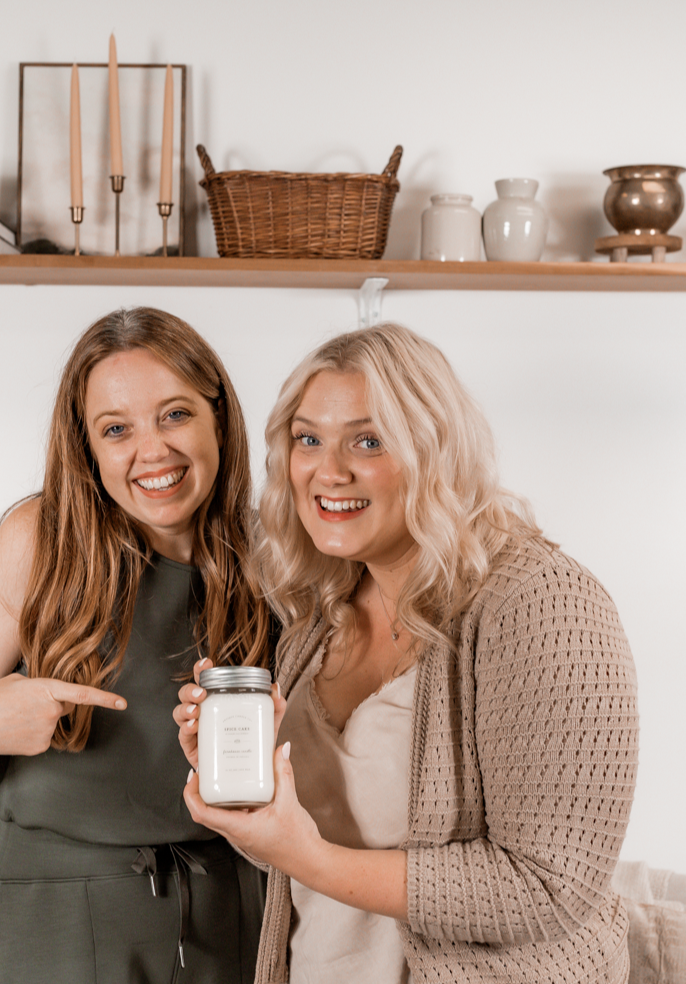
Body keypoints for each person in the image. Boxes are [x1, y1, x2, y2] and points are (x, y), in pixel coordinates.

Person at [176, 322, 640, 983]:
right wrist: (246, 795)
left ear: (436, 450)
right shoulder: (318, 614)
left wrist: (307, 857)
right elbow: (303, 852)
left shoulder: (541, 602)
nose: (328, 471)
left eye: (368, 441)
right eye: (308, 439)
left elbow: (549, 887)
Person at [0, 306, 274, 984]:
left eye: (175, 415)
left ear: (219, 418)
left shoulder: (275, 557)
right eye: (116, 429)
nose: (151, 451)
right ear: (88, 448)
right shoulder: (36, 542)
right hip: (41, 924)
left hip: (225, 918)